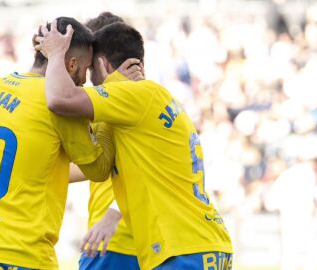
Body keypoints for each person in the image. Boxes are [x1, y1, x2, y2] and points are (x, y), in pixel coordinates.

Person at [35, 20, 233, 269]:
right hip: (197, 245)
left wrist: (55, 55)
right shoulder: (146, 103)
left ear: (102, 63)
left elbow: (61, 98)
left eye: (90, 69)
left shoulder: (138, 96)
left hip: (184, 251)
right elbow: (96, 167)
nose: (87, 81)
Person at [0, 17, 115, 270]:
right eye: (86, 70)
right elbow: (98, 168)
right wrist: (111, 107)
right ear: (71, 63)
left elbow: (31, 167)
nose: (85, 80)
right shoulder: (59, 103)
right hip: (18, 254)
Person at [78, 12, 139, 270]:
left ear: (102, 61)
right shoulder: (132, 99)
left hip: (111, 241)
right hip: (140, 242)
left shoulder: (120, 102)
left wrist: (112, 215)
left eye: (90, 66)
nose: (88, 76)